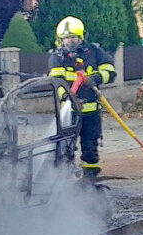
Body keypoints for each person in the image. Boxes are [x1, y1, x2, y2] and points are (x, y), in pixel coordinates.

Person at [48, 16, 117, 179]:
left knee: (90, 145)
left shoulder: (95, 52)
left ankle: (90, 177)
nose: (69, 41)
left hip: (91, 112)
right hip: (69, 111)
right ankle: (64, 177)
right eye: (66, 38)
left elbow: (110, 71)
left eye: (73, 37)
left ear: (81, 37)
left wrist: (96, 78)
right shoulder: (57, 57)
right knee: (65, 145)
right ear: (60, 39)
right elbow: (56, 83)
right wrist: (68, 97)